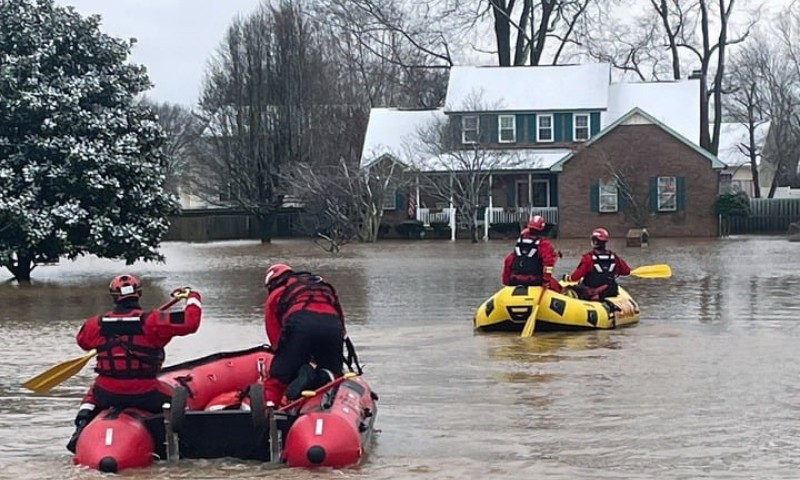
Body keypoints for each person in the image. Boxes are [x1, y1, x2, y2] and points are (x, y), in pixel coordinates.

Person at [66, 274, 202, 453]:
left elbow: (83, 342)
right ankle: (186, 441)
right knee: (180, 400)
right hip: (146, 392)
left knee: (93, 392)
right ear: (139, 293)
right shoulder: (153, 321)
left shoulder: (94, 324)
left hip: (107, 393)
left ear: (114, 296)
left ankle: (81, 425)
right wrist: (193, 297)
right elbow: (191, 322)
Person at [263, 263, 350, 406]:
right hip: (332, 326)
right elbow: (340, 318)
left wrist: (286, 361)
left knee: (278, 378)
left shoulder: (276, 294)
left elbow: (274, 334)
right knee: (334, 374)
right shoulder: (319, 285)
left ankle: (269, 409)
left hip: (300, 324)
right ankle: (323, 380)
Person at [564, 227, 631, 300]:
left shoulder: (588, 258)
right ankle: (600, 297)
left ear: (595, 242)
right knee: (613, 285)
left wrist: (568, 278)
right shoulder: (614, 257)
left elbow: (575, 277)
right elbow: (626, 271)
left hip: (591, 290)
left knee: (569, 289)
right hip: (609, 290)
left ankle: (594, 297)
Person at [501, 215, 561, 292]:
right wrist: (546, 281)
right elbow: (548, 263)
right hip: (535, 280)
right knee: (558, 288)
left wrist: (507, 283)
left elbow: (508, 261)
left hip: (515, 280)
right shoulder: (544, 244)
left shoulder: (520, 243)